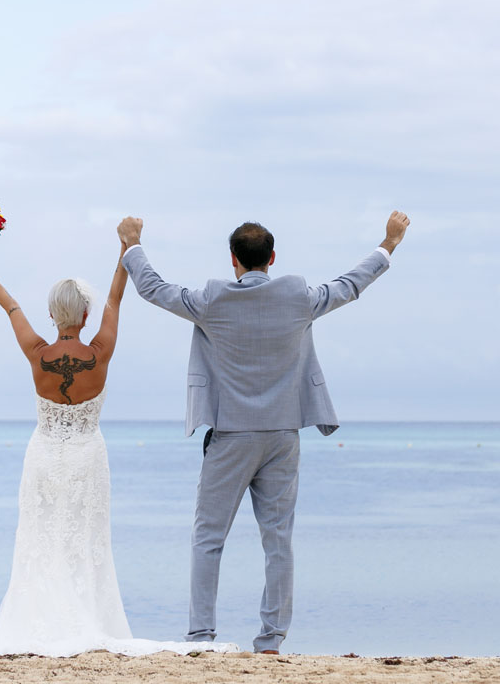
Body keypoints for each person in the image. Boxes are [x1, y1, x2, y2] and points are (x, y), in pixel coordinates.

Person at [116, 211, 411, 654]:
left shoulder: (212, 299)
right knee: (277, 542)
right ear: (272, 258)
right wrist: (388, 244)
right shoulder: (296, 296)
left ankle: (201, 637)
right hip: (282, 434)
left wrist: (133, 244)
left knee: (208, 538)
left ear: (232, 259)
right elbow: (350, 285)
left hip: (232, 434)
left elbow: (153, 289)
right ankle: (270, 640)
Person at [0, 241, 237, 657]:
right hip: (88, 456)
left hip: (44, 456)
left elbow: (10, 306)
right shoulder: (99, 352)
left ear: (53, 315)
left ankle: (43, 619)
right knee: (86, 539)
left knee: (40, 537)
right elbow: (115, 297)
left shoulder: (38, 354)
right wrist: (126, 251)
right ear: (85, 315)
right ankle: (85, 614)